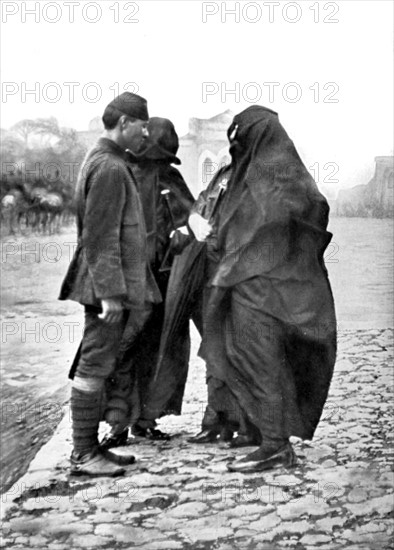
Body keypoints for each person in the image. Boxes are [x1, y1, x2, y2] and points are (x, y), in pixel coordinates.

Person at [187, 105, 337, 472]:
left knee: (262, 361)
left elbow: (311, 210)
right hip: (246, 284)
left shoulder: (278, 171)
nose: (237, 148)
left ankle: (275, 444)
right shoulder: (246, 172)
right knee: (242, 356)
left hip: (268, 289)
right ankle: (260, 431)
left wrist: (263, 253)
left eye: (242, 140)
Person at [59, 92, 161, 476]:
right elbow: (100, 237)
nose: (145, 136)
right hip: (105, 286)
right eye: (142, 127)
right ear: (124, 124)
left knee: (100, 361)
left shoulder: (106, 161)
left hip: (108, 282)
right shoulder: (110, 168)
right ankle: (84, 454)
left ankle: (91, 448)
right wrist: (109, 293)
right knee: (95, 362)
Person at [101, 117, 195, 447]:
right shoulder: (123, 174)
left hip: (163, 279)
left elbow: (190, 223)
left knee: (154, 347)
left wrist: (178, 236)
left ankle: (140, 419)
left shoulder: (167, 177)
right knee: (130, 347)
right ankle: (122, 421)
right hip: (137, 280)